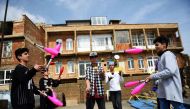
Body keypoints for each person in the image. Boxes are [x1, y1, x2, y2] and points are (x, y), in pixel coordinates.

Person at [145, 36, 185, 109]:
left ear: (164, 45)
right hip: (162, 92)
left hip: (172, 90)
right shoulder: (161, 57)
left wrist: (152, 76)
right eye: (155, 45)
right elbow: (162, 75)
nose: (155, 47)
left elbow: (170, 71)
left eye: (157, 45)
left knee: (179, 107)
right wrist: (156, 81)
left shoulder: (168, 55)